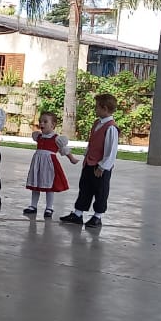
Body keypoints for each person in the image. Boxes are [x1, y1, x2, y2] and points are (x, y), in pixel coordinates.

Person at [62, 93, 119, 229]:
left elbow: (111, 151)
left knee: (100, 191)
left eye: (97, 107)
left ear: (105, 108)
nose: (95, 109)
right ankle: (78, 214)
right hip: (89, 163)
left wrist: (102, 166)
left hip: (100, 167)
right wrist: (87, 156)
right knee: (85, 188)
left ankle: (97, 216)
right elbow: (92, 142)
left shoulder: (111, 127)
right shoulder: (97, 123)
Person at [25, 111, 78, 218]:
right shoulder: (39, 136)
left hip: (49, 165)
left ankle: (49, 207)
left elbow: (64, 149)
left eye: (45, 122)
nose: (42, 124)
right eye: (40, 121)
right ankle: (33, 206)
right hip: (38, 164)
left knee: (49, 186)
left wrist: (71, 158)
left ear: (53, 125)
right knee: (36, 184)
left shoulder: (57, 139)